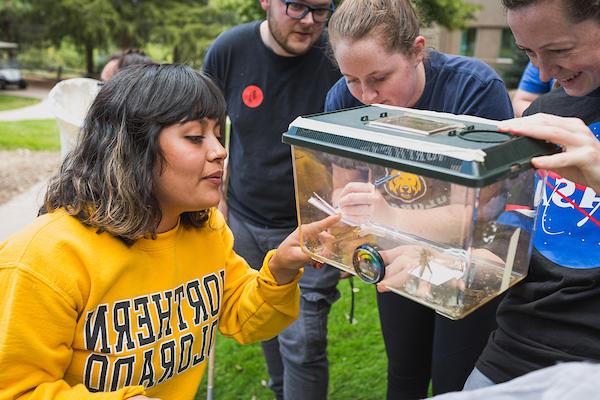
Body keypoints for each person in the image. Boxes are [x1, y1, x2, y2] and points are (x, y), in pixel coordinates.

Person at [0, 63, 340, 400]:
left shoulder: (206, 228)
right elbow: (15, 390)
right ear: (134, 146)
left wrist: (279, 269)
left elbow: (246, 319)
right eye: (195, 137)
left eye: (218, 135)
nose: (220, 151)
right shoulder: (41, 259)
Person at [324, 0, 514, 398]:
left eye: (379, 77)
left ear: (417, 50)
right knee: (404, 371)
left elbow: (473, 215)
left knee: (454, 377)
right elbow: (343, 188)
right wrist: (349, 211)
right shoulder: (342, 97)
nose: (366, 96)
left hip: (470, 260)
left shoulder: (474, 90)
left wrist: (384, 213)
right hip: (394, 251)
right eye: (352, 79)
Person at [202, 0, 341, 398]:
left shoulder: (335, 55)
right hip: (244, 217)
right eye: (296, 7)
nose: (309, 22)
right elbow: (208, 129)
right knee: (263, 315)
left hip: (312, 223)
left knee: (303, 342)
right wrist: (217, 199)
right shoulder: (229, 50)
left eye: (320, 10)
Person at [462, 0, 600, 390]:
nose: (542, 71)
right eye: (527, 53)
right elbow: (516, 230)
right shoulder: (547, 112)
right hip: (517, 342)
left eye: (559, 50)